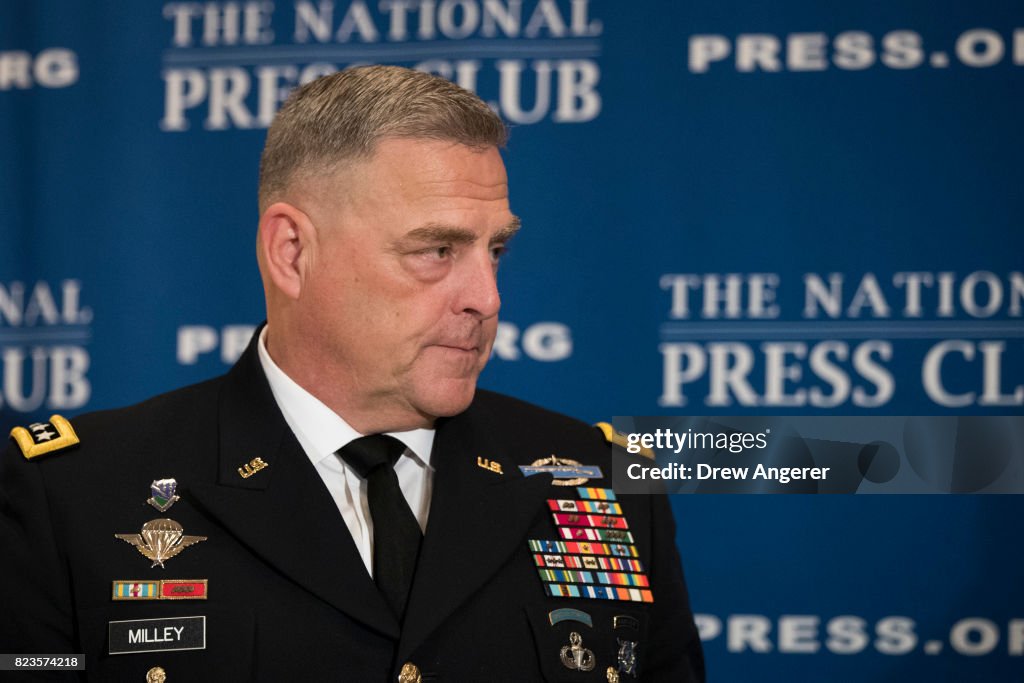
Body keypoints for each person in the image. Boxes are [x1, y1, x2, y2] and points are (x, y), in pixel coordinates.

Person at [1, 65, 704, 681]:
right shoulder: (69, 497)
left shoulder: (606, 483)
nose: (487, 298)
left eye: (495, 251)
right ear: (292, 252)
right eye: (436, 249)